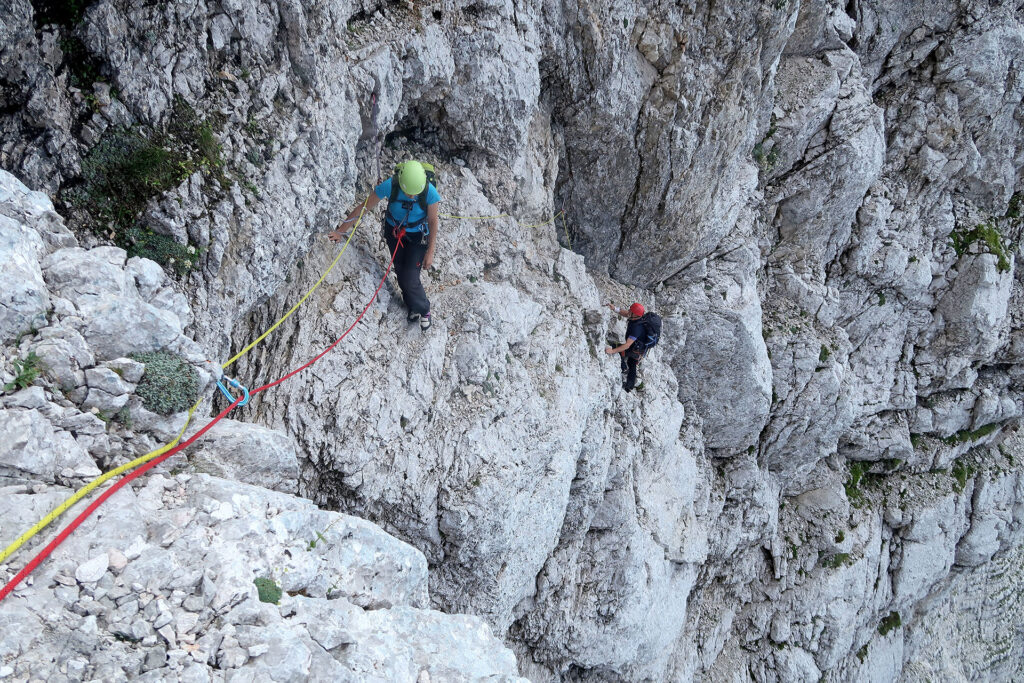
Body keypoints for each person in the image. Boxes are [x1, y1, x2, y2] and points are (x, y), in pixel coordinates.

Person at [328, 161, 440, 330]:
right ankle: (413, 306)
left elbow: (432, 221)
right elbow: (364, 207)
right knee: (401, 273)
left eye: (414, 194)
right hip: (394, 232)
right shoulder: (391, 185)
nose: (411, 197)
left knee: (410, 277)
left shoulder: (429, 191)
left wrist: (430, 251)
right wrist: (341, 231)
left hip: (417, 236)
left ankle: (424, 309)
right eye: (408, 193)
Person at [604, 302, 659, 392]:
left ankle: (623, 369)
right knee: (632, 362)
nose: (629, 311)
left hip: (635, 349)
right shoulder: (639, 318)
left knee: (618, 349)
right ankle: (629, 385)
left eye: (631, 311)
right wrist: (614, 308)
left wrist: (612, 351)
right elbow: (626, 313)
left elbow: (627, 345)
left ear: (635, 315)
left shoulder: (636, 328)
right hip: (639, 348)